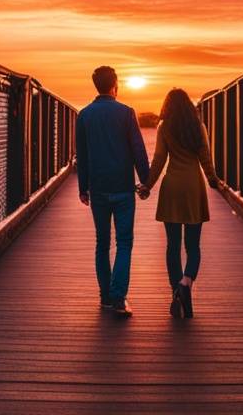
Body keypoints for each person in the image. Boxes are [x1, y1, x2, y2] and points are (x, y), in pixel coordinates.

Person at [138, 88, 222, 318]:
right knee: (193, 246)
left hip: (172, 189)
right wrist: (214, 182)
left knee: (172, 245)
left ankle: (176, 290)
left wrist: (147, 185)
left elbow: (158, 159)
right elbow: (205, 157)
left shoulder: (164, 127)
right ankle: (186, 284)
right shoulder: (198, 127)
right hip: (193, 188)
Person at [76, 66, 150, 317]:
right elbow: (139, 151)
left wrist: (82, 187)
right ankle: (119, 298)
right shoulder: (126, 113)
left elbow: (82, 155)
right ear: (115, 85)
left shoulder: (84, 115)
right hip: (122, 189)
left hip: (98, 189)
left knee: (101, 243)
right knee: (124, 242)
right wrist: (147, 181)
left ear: (96, 85)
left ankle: (105, 296)